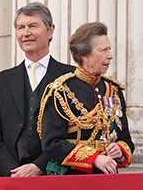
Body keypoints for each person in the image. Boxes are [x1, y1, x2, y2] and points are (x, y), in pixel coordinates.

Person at [0, 2, 71, 178]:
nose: (26, 33)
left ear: (50, 30)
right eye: (20, 27)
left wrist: (40, 165)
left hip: (56, 175)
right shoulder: (0, 82)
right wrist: (11, 171)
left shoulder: (70, 78)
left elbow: (72, 133)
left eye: (33, 26)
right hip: (12, 177)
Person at [38, 21, 134, 174]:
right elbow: (52, 144)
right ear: (84, 55)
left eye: (109, 49)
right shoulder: (61, 90)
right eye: (103, 50)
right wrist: (94, 158)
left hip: (107, 177)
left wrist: (119, 150)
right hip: (72, 179)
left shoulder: (113, 90)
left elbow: (126, 139)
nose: (110, 56)